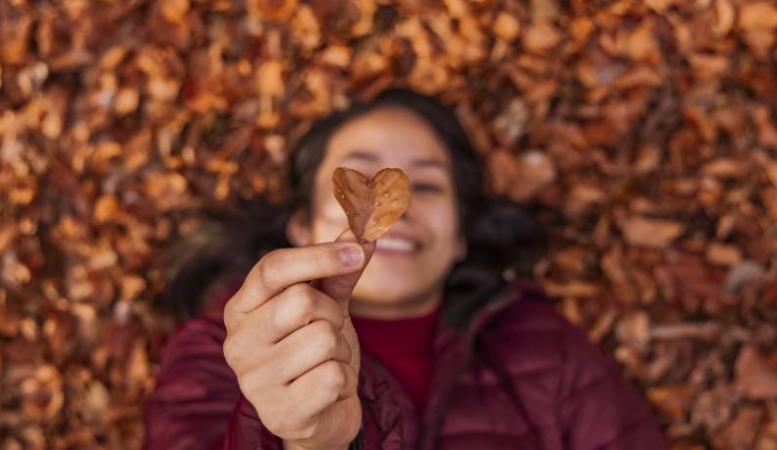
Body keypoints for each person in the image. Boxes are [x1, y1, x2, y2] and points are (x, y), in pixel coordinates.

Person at [145, 88, 669, 450]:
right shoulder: (218, 354)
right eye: (359, 177)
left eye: (430, 185)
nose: (400, 210)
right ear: (302, 226)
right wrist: (306, 443)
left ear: (461, 237)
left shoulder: (548, 349)